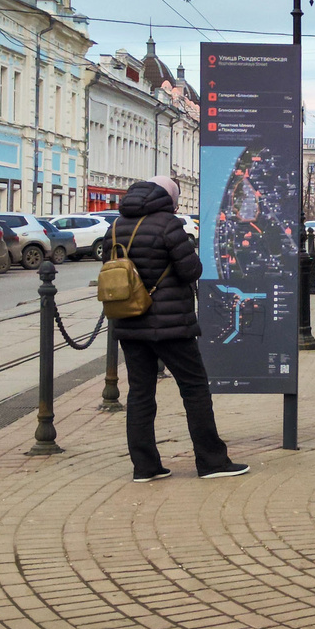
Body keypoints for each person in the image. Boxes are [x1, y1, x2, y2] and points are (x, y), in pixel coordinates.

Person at [103, 175, 248, 481]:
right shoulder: (168, 225)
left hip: (128, 321)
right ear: (168, 198)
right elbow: (191, 270)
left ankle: (145, 466)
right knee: (194, 388)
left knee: (140, 393)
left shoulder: (116, 226)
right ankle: (212, 462)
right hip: (170, 324)